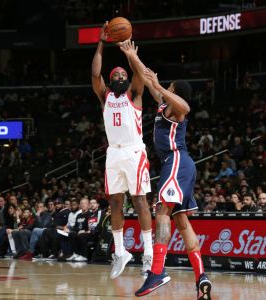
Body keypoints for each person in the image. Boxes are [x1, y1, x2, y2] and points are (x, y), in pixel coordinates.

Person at [118, 40, 211, 299]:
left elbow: (186, 107)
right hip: (181, 165)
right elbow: (147, 77)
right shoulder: (163, 103)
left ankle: (157, 271)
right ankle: (201, 275)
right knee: (181, 221)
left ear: (174, 90)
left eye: (168, 87)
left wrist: (159, 86)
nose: (163, 87)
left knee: (162, 211)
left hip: (177, 161)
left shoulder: (175, 108)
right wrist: (131, 55)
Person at [91, 22, 153, 278]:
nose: (118, 77)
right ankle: (121, 252)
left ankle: (149, 256)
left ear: (126, 79)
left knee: (139, 201)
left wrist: (130, 55)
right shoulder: (105, 96)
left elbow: (140, 74)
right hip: (113, 154)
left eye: (121, 75)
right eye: (114, 75)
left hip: (134, 151)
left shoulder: (134, 94)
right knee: (115, 202)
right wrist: (101, 44)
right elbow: (95, 75)